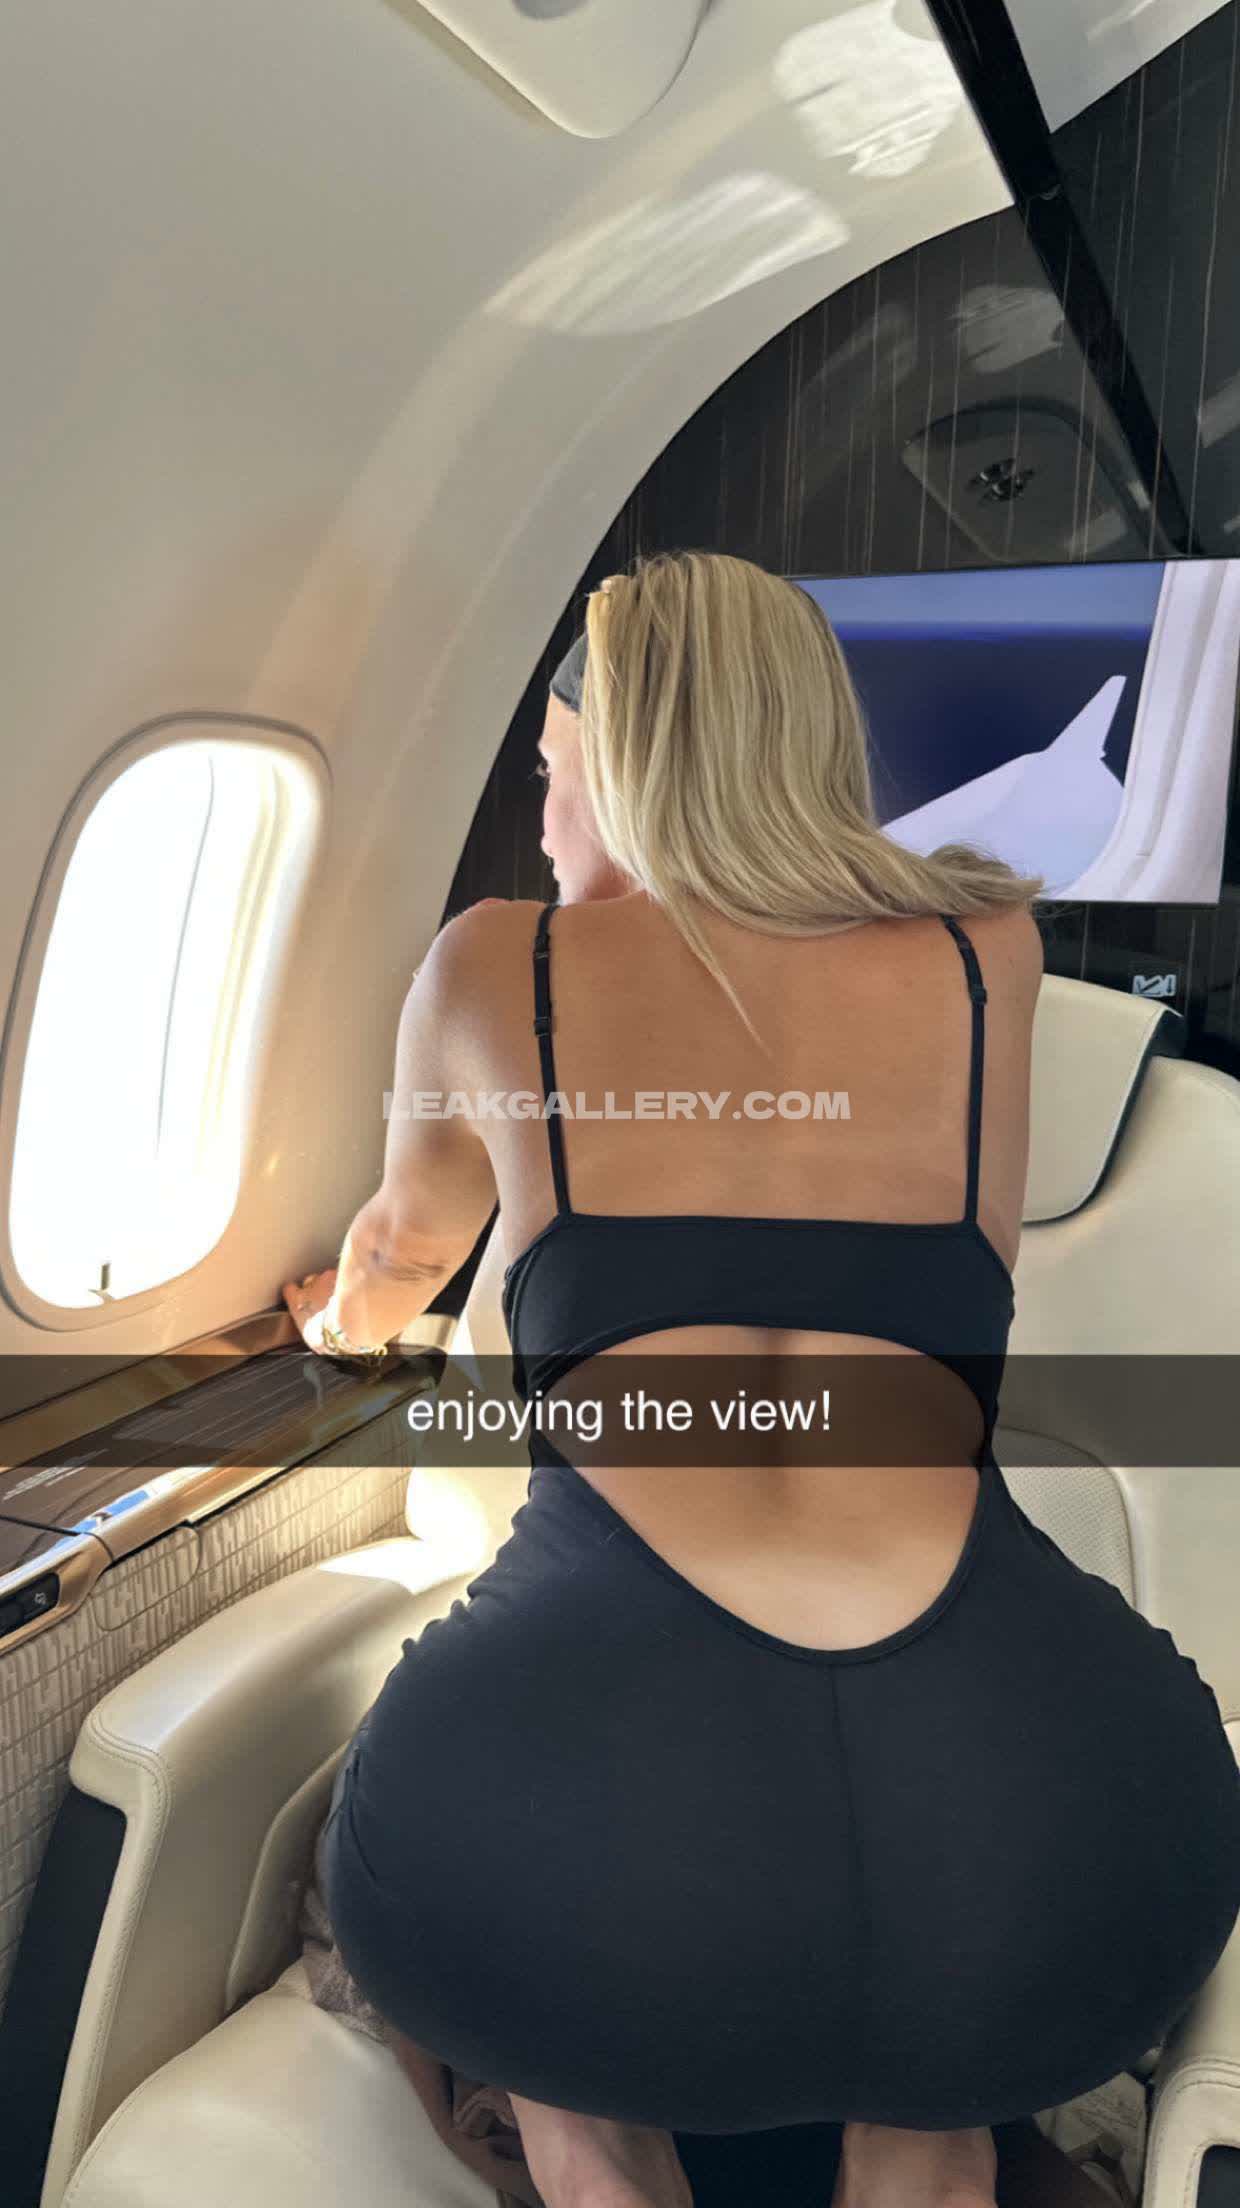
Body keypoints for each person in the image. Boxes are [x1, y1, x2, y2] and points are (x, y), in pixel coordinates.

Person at [283, 551, 1240, 2208]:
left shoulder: (496, 965)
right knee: (942, 2061)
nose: (541, 825)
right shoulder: (987, 949)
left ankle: (597, 2159)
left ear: (629, 760)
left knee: (565, 2045)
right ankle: (933, 2143)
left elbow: (399, 1255)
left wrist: (343, 1319)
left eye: (552, 776)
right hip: (1039, 1818)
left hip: (602, 1830)